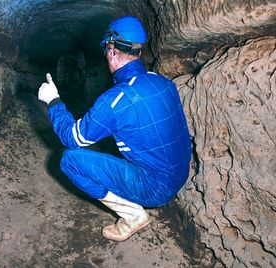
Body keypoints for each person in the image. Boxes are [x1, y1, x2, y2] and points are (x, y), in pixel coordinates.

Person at [38, 16, 191, 242]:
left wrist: (53, 102)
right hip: (180, 175)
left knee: (69, 160)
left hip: (156, 187)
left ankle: (132, 216)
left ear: (111, 51)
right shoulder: (163, 81)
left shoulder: (116, 100)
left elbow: (72, 138)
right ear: (138, 52)